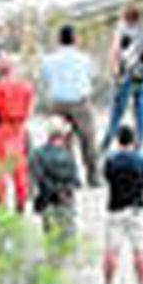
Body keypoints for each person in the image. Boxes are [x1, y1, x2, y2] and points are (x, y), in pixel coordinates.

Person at [40, 24, 101, 187]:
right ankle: (93, 176)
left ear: (59, 40)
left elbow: (46, 79)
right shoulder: (85, 59)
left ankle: (69, 177)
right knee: (88, 140)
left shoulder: (48, 60)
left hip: (58, 103)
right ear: (75, 39)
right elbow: (93, 76)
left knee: (62, 140)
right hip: (80, 102)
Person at [101, 125, 143, 284]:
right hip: (136, 208)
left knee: (112, 250)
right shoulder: (142, 160)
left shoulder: (111, 160)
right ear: (133, 140)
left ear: (118, 140)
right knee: (140, 250)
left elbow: (107, 178)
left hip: (115, 207)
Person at [102, 4, 143, 152]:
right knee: (140, 116)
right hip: (141, 76)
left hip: (125, 76)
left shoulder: (121, 29)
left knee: (117, 114)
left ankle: (105, 147)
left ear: (125, 16)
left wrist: (115, 73)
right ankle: (138, 148)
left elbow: (115, 52)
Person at [0, 53, 35, 213]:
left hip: (2, 128)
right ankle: (21, 201)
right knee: (20, 168)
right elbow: (29, 110)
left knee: (0, 169)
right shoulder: (26, 87)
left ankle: (1, 202)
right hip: (19, 128)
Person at [30, 117, 83, 241]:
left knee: (51, 240)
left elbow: (39, 179)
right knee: (68, 241)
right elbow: (76, 182)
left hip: (48, 202)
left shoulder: (38, 154)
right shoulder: (68, 155)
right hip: (66, 202)